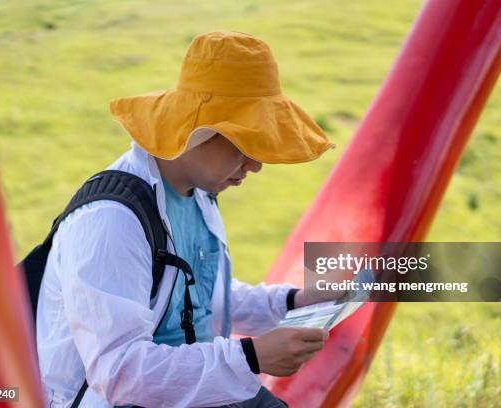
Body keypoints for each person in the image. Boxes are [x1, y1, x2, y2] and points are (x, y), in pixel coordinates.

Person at [36, 30, 336, 408]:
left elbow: (201, 300)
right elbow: (119, 373)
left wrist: (297, 301)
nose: (257, 165)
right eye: (246, 145)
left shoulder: (198, 194)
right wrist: (252, 358)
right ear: (198, 133)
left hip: (189, 385)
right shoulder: (112, 221)